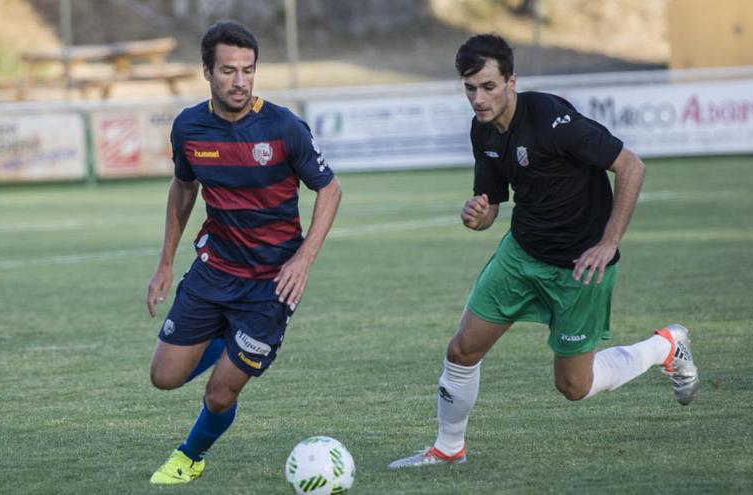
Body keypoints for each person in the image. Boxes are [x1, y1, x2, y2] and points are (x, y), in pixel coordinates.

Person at [388, 34, 699, 469]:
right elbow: (490, 206)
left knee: (574, 387)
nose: (479, 99)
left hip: (579, 267)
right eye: (470, 88)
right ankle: (448, 449)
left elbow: (631, 166)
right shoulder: (483, 131)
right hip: (521, 255)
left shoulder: (553, 120)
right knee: (461, 350)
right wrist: (477, 214)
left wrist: (608, 242)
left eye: (489, 86)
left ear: (512, 80)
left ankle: (665, 347)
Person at [145, 20, 341, 484]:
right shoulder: (189, 127)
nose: (240, 81)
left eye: (248, 71)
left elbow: (330, 190)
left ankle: (189, 456)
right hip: (214, 271)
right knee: (164, 376)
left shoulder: (284, 127)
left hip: (272, 284)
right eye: (229, 71)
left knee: (218, 395)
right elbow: (183, 188)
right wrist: (166, 262)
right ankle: (227, 345)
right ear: (207, 73)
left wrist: (304, 258)